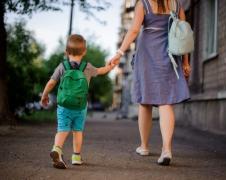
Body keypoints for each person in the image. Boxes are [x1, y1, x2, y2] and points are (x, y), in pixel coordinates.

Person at [109, 0, 191, 166]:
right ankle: (166, 149)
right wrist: (185, 63)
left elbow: (133, 31)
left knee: (145, 101)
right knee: (166, 102)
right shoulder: (176, 5)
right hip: (170, 56)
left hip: (147, 56)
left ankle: (144, 146)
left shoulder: (144, 4)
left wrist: (119, 52)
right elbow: (184, 36)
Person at [40, 34, 114, 169]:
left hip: (63, 106)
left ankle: (57, 149)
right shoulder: (88, 67)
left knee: (62, 130)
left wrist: (44, 96)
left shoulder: (62, 66)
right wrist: (110, 66)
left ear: (66, 52)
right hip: (80, 106)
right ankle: (76, 157)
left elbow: (51, 83)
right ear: (84, 52)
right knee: (77, 131)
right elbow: (101, 71)